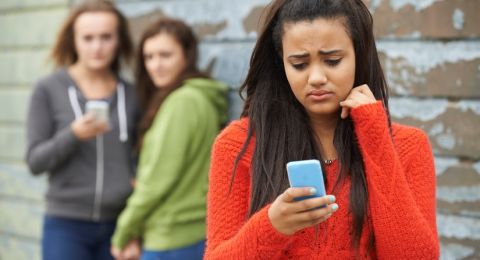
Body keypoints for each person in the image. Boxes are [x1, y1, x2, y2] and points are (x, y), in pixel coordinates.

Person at [205, 0, 440, 259]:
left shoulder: (408, 145)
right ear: (281, 64)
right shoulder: (238, 144)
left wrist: (376, 137)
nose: (316, 77)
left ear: (359, 56)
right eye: (299, 64)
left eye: (332, 60)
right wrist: (272, 227)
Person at [25, 1, 139, 259]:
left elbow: (142, 160)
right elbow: (35, 161)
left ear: (118, 40)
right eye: (87, 38)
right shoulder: (48, 89)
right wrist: (73, 134)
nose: (97, 47)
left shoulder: (131, 94)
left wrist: (135, 226)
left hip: (119, 224)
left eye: (106, 37)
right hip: (66, 225)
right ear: (73, 40)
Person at [110, 18, 228, 260]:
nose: (156, 65)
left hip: (173, 239)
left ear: (187, 55)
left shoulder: (182, 102)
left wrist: (123, 231)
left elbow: (157, 180)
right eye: (149, 57)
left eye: (165, 55)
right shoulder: (198, 97)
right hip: (190, 234)